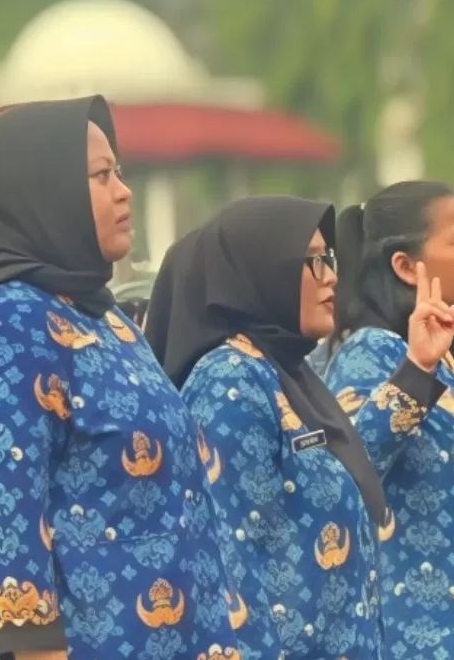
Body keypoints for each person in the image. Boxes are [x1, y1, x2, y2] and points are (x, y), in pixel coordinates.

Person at [0, 96, 240, 660]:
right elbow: (1, 514)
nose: (124, 191)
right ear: (43, 192)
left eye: (120, 172)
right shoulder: (6, 325)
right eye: (101, 175)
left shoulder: (105, 318)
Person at [143, 196, 387, 659]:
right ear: (261, 271)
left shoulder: (287, 373)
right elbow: (231, 570)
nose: (331, 276)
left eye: (329, 258)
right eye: (312, 261)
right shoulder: (230, 381)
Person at [323, 181, 454, 659]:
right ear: (404, 266)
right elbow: (347, 472)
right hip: (423, 639)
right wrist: (416, 370)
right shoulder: (372, 353)